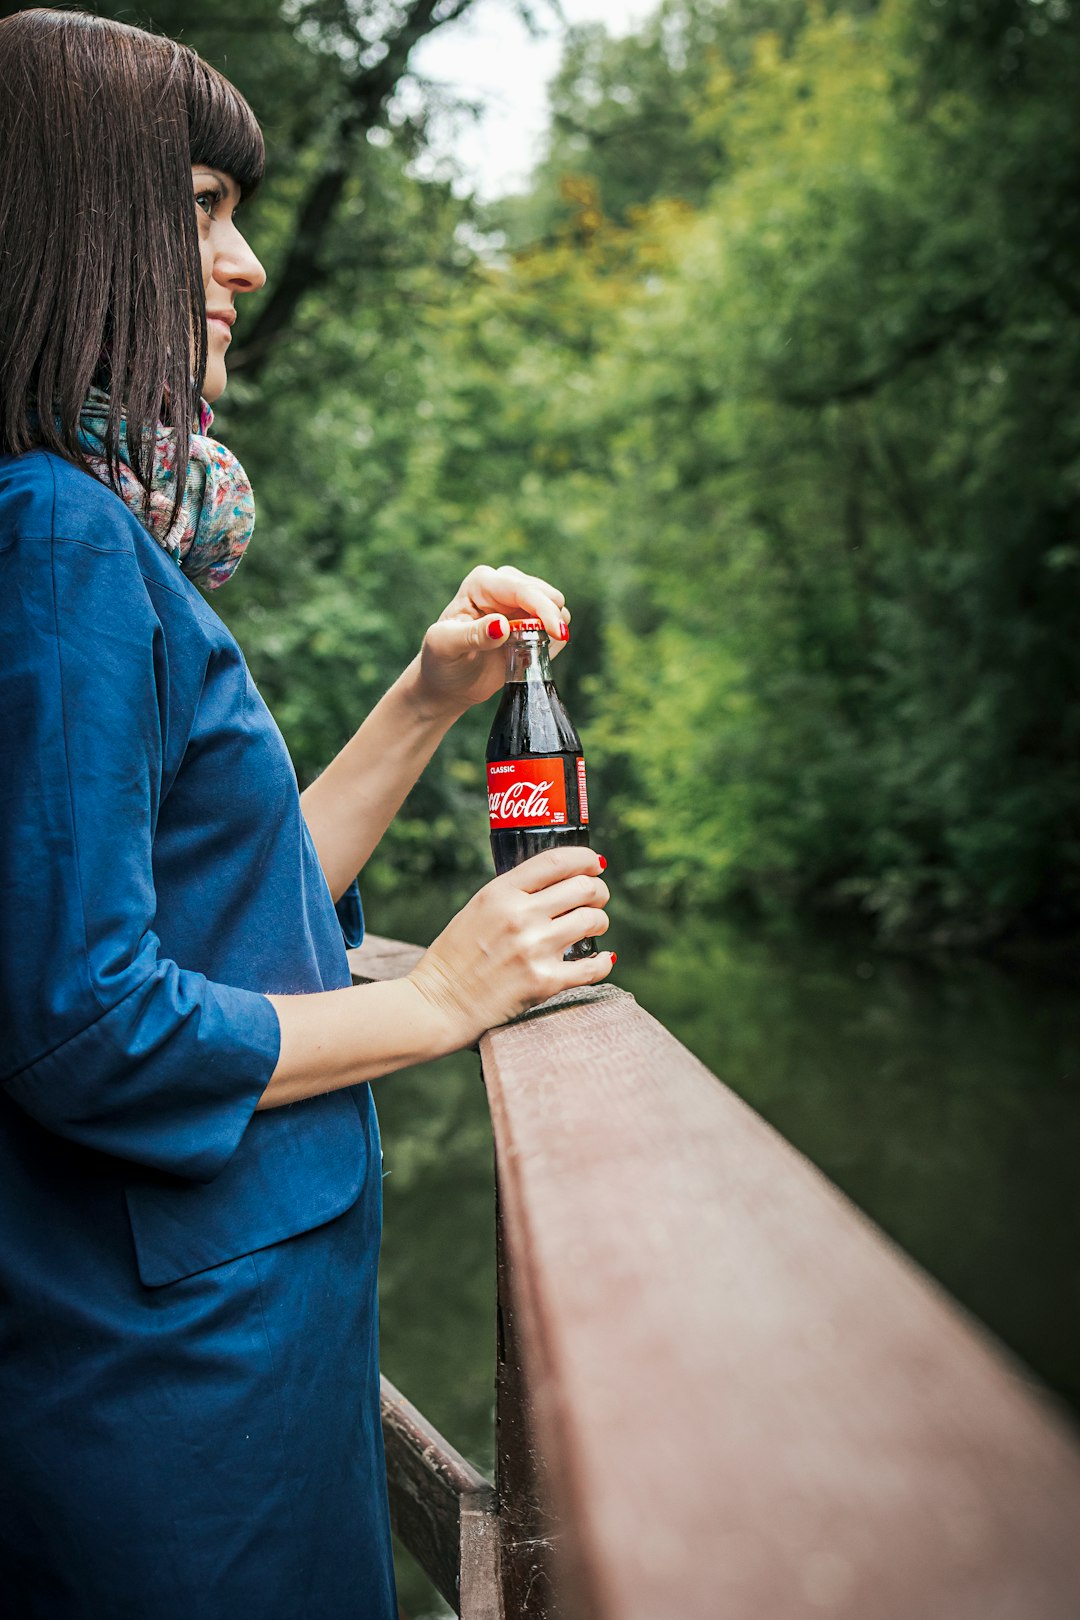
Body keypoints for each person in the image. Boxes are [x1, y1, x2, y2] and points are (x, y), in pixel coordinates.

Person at [0, 10, 613, 1616]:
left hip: (239, 1368)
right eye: (204, 209)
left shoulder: (79, 531)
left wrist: (425, 700)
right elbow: (82, 1025)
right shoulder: (56, 538)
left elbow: (239, 913)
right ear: (78, 220)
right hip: (172, 1408)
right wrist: (439, 998)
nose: (248, 262)